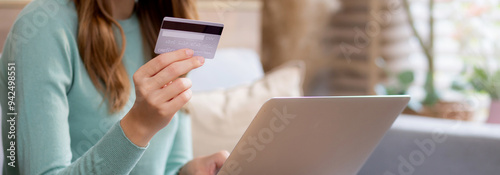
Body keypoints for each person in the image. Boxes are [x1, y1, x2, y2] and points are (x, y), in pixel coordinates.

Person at [0, 0, 228, 174]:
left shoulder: (161, 22)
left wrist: (190, 171)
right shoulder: (41, 27)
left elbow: (168, 167)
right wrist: (138, 126)